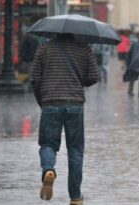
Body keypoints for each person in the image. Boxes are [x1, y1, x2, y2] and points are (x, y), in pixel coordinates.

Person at [30, 33, 99, 205]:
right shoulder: (84, 49)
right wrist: (78, 80)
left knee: (47, 144)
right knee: (75, 150)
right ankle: (75, 197)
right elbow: (94, 77)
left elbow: (34, 79)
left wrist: (43, 100)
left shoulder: (44, 48)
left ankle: (48, 170)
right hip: (75, 104)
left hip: (50, 102)